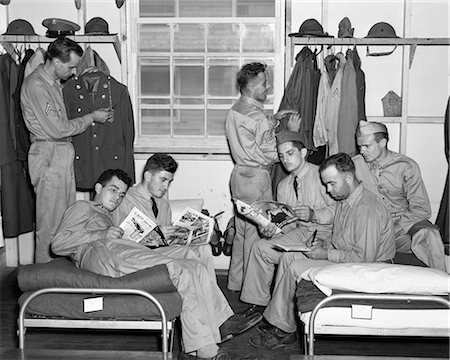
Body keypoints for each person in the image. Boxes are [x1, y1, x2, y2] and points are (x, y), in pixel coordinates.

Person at [51, 169, 261, 360]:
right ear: (98, 188)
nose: (117, 198)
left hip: (119, 248)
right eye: (113, 190)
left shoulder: (108, 215)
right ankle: (208, 353)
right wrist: (102, 233)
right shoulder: (83, 207)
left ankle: (209, 335)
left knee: (195, 264)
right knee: (181, 269)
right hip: (101, 251)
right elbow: (58, 245)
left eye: (121, 194)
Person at [249, 153, 396, 350]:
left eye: (331, 184)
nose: (328, 190)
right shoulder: (346, 200)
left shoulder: (367, 208)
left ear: (348, 178)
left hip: (369, 270)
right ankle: (281, 321)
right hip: (349, 259)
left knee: (294, 267)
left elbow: (364, 259)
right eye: (326, 184)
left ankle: (284, 331)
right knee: (288, 256)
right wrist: (322, 243)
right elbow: (341, 238)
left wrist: (325, 254)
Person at [21, 37, 113, 263]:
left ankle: (59, 279)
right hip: (49, 154)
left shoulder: (52, 85)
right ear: (55, 62)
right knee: (50, 225)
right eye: (71, 66)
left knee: (64, 223)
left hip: (59, 155)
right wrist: (92, 117)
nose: (73, 73)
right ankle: (42, 284)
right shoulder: (37, 86)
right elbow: (58, 129)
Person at [225, 62, 301, 292]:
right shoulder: (258, 118)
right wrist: (292, 133)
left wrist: (274, 119)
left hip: (239, 175)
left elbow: (252, 131)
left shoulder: (236, 109)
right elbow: (273, 153)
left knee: (240, 231)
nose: (266, 87)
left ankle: (235, 283)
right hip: (257, 178)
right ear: (250, 87)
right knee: (257, 235)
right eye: (263, 83)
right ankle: (252, 289)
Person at [239, 130, 335, 312]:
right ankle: (257, 305)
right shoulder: (283, 186)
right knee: (260, 247)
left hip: (325, 234)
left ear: (304, 153)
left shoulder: (322, 176)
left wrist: (314, 214)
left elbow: (339, 210)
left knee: (287, 257)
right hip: (299, 234)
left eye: (290, 154)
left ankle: (278, 311)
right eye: (281, 156)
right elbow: (287, 223)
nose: (285, 160)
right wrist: (269, 229)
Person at [353, 120, 446, 272]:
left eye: (367, 146)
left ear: (382, 142)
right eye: (359, 147)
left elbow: (421, 209)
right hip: (371, 226)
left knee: (429, 234)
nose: (362, 151)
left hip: (402, 225)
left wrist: (396, 227)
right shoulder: (354, 165)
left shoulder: (406, 166)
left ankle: (440, 286)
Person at [112, 153, 216, 282]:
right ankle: (208, 298)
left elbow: (168, 242)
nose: (166, 187)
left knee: (204, 248)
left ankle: (209, 296)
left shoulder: (164, 204)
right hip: (138, 255)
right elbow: (117, 241)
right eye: (163, 180)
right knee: (189, 255)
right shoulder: (125, 199)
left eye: (169, 182)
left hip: (163, 252)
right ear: (148, 176)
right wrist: (155, 235)